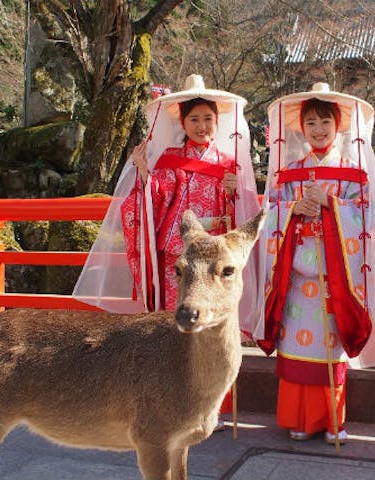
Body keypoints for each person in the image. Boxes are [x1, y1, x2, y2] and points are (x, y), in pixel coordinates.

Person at [73, 74, 262, 430]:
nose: (202, 126)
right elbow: (151, 202)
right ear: (183, 122)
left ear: (217, 121)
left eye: (208, 119)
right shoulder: (171, 161)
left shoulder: (229, 163)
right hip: (181, 255)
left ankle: (208, 407)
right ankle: (173, 402)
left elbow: (243, 224)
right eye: (194, 119)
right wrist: (144, 174)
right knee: (174, 326)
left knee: (216, 327)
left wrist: (237, 192)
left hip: (215, 259)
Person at [256, 83, 375, 445]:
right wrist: (292, 210)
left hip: (334, 278)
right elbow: (269, 215)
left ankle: (332, 420)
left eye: (325, 122)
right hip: (296, 276)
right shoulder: (289, 172)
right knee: (296, 348)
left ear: (338, 126)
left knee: (329, 350)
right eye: (311, 123)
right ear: (301, 129)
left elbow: (368, 218)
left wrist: (331, 204)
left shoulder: (354, 172)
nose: (318, 130)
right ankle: (298, 418)